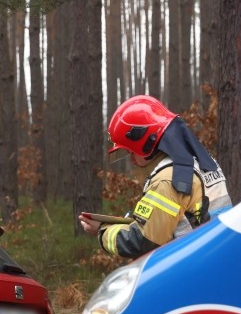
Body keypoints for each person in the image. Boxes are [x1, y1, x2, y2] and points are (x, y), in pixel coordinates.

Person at [80, 95, 232, 259]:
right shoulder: (200, 162)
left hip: (190, 264)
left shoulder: (167, 179)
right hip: (215, 254)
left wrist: (101, 232)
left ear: (146, 143)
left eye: (131, 151)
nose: (131, 159)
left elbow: (143, 241)